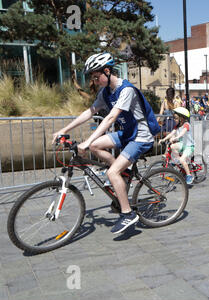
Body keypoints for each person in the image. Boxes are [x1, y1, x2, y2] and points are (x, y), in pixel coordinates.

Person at [52, 52, 158, 234]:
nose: (94, 81)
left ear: (107, 71)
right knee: (95, 147)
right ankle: (121, 172)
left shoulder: (126, 90)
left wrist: (86, 141)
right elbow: (90, 112)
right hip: (127, 133)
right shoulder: (105, 92)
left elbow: (110, 119)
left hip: (141, 135)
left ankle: (128, 214)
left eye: (96, 76)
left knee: (111, 172)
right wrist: (64, 130)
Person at [159, 107, 195, 185]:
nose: (174, 120)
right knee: (172, 146)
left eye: (175, 118)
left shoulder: (186, 125)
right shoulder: (177, 125)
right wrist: (164, 139)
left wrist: (176, 137)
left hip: (189, 146)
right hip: (182, 144)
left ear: (181, 118)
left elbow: (182, 133)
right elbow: (172, 133)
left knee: (182, 160)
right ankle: (179, 161)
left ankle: (189, 175)